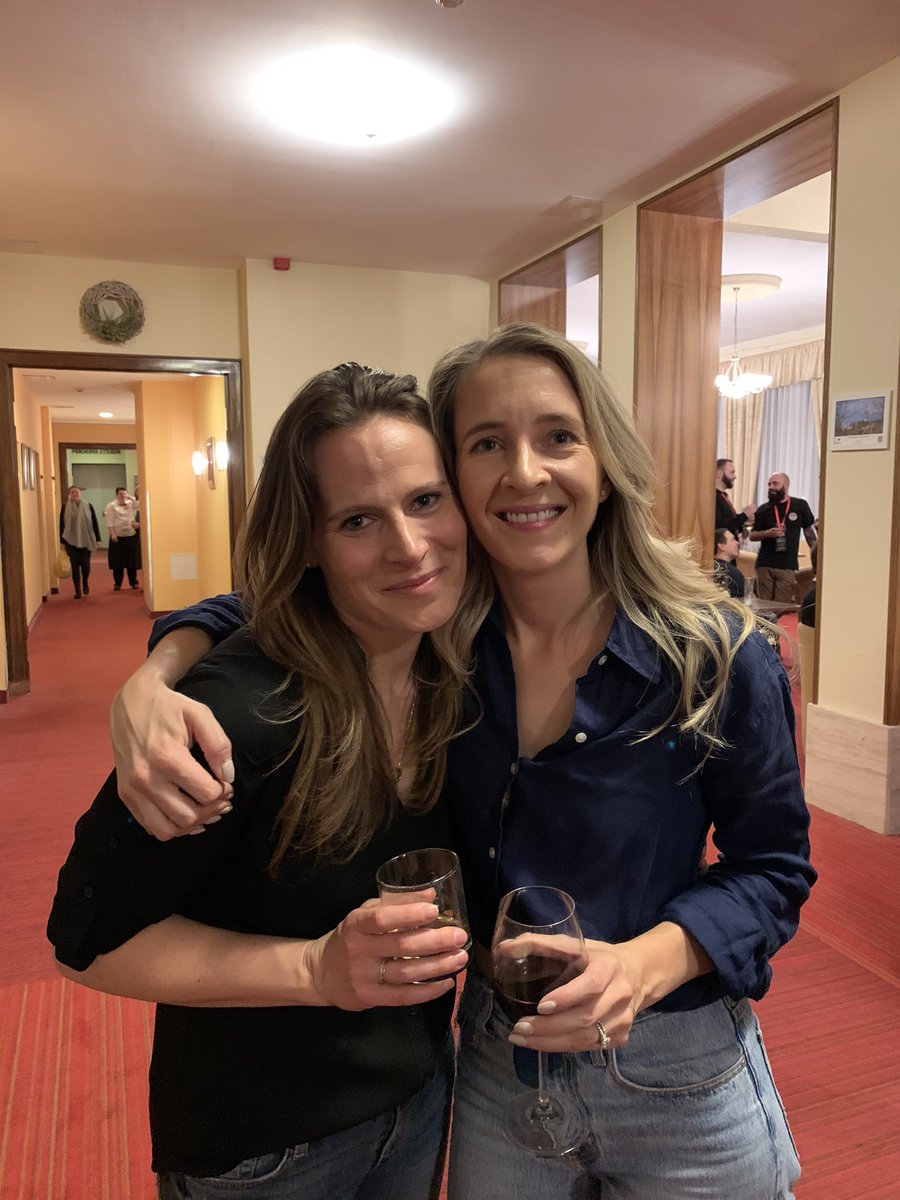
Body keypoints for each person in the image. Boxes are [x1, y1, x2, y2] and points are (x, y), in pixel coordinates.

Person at [107, 325, 815, 1199]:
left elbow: (772, 869)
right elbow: (282, 593)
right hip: (494, 1056)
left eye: (559, 436)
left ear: (604, 462)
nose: (525, 471)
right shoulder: (437, 636)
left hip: (675, 1062)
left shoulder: (716, 654)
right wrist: (155, 673)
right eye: (486, 444)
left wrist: (645, 965)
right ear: (454, 479)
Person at [48, 364, 474, 1199]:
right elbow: (85, 945)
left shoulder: (455, 671)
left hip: (421, 1097)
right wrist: (314, 970)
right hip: (266, 1146)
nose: (409, 545)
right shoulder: (235, 716)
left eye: (426, 500)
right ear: (310, 542)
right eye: (357, 520)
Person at [750, 473, 816, 603]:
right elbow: (752, 535)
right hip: (765, 564)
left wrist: (816, 556)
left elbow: (809, 533)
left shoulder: (800, 506)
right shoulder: (763, 509)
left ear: (786, 485)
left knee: (782, 605)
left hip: (787, 565)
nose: (771, 487)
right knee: (763, 605)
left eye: (775, 483)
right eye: (769, 484)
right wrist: (767, 533)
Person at [59, 485, 101, 599]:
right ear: (69, 494)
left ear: (80, 493)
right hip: (70, 541)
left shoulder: (88, 505)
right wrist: (62, 541)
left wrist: (98, 539)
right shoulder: (65, 507)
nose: (74, 494)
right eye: (72, 492)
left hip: (85, 539)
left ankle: (85, 582)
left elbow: (94, 522)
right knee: (74, 567)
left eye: (76, 492)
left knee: (85, 565)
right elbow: (62, 525)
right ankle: (77, 590)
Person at [105, 486, 140, 590]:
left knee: (132, 561)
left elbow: (139, 503)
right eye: (121, 494)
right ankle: (117, 583)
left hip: (130, 535)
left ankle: (133, 582)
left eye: (125, 493)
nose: (123, 496)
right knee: (117, 562)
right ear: (116, 495)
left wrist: (130, 497)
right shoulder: (111, 505)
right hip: (118, 536)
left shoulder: (131, 503)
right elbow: (109, 521)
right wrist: (112, 534)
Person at [715, 457, 755, 539]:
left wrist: (744, 521)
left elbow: (730, 523)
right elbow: (721, 526)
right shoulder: (714, 497)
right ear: (720, 474)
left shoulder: (722, 496)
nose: (735, 476)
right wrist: (744, 515)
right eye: (732, 472)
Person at [712, 526, 745, 599]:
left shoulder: (709, 567)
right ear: (721, 546)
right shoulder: (732, 573)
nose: (737, 543)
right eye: (733, 540)